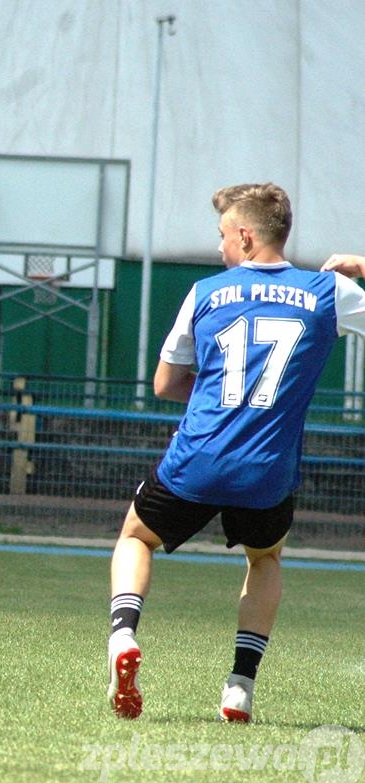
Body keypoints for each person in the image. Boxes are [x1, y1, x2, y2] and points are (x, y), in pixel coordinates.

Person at [106, 183, 365, 721]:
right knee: (265, 558)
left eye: (223, 234)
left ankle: (123, 636)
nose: (220, 245)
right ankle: (240, 685)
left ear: (245, 236)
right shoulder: (329, 291)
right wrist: (362, 266)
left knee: (136, 536)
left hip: (198, 457)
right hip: (266, 470)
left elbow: (164, 383)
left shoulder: (204, 292)